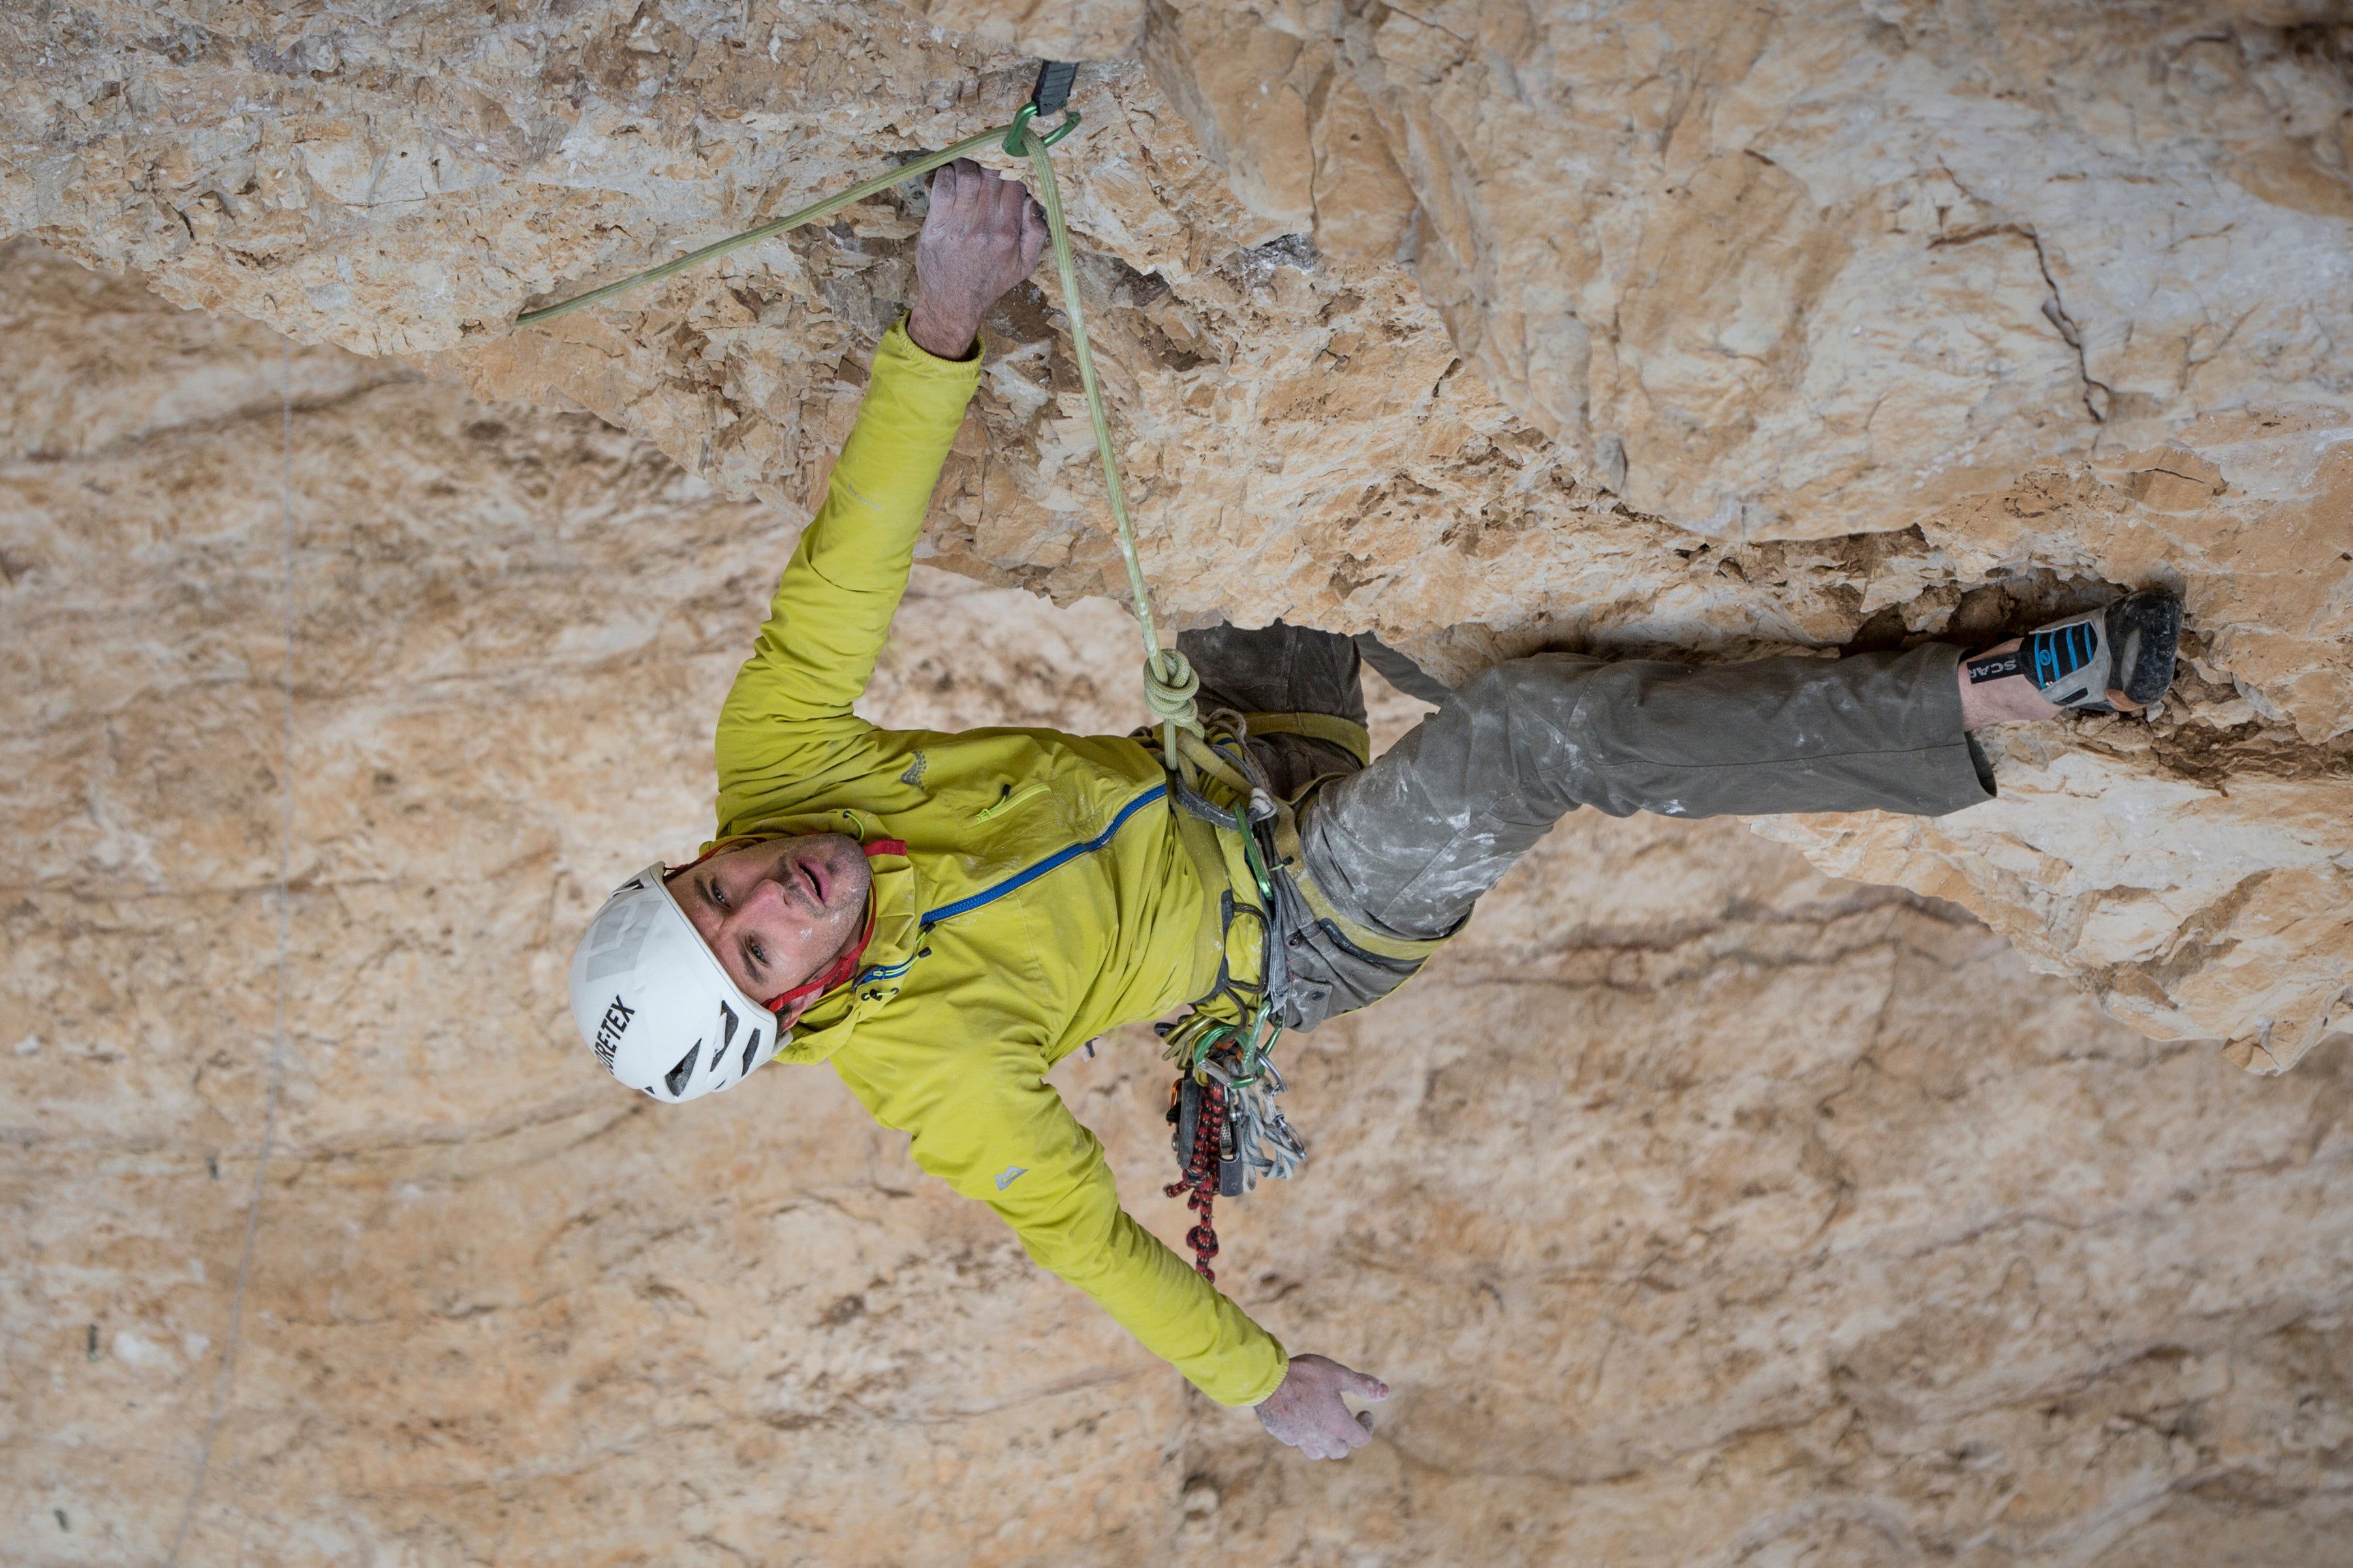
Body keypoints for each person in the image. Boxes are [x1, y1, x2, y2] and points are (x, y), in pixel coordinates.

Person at [567, 160, 2183, 1462]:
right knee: (1533, 728)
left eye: (719, 891)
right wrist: (1263, 1380)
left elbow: (849, 561)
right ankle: (1993, 693)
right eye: (766, 944)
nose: (775, 886)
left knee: (1277, 472)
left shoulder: (775, 760)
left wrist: (942, 315)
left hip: (1229, 754)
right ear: (803, 1001)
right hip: (1300, 927)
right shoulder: (932, 1071)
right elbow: (1088, 1244)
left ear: (697, 855)